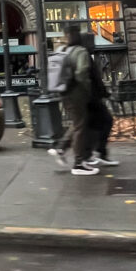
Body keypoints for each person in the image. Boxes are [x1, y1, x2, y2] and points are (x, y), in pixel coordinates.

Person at [48, 28, 118, 172]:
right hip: (79, 95)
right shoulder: (81, 52)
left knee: (82, 124)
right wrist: (87, 90)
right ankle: (80, 161)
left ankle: (78, 154)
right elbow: (82, 73)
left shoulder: (64, 50)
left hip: (66, 92)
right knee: (83, 125)